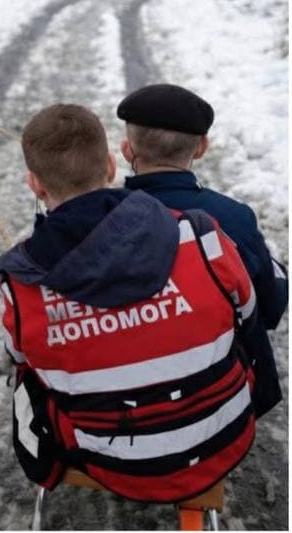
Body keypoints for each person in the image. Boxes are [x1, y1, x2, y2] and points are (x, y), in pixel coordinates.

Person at [0, 104, 261, 502]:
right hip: (227, 436)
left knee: (25, 377)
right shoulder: (200, 235)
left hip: (115, 465)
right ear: (109, 166)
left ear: (34, 183)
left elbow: (21, 357)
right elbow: (248, 315)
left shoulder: (21, 284)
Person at [116, 83, 285, 415]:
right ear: (201, 148)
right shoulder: (233, 218)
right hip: (221, 392)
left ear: (126, 150)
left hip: (127, 399)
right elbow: (271, 305)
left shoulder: (104, 219)